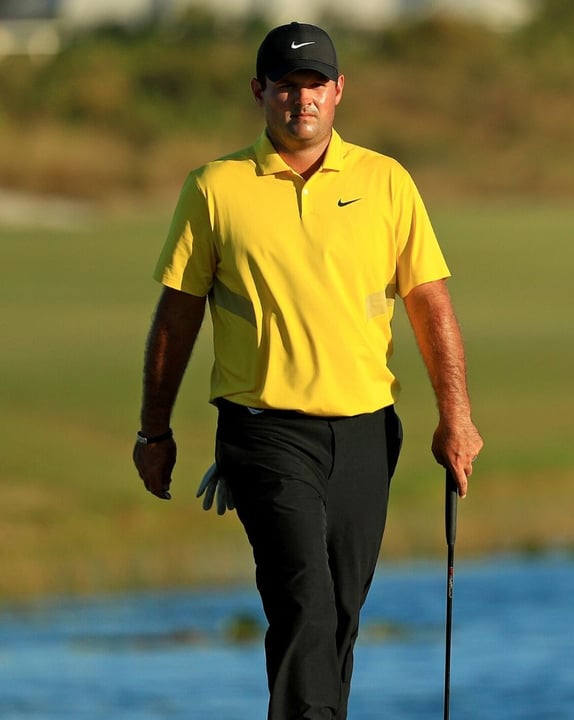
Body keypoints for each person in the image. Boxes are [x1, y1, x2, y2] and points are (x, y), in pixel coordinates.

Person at [131, 21, 483, 720]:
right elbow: (177, 316)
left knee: (341, 616)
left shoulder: (386, 181)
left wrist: (457, 417)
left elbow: (429, 304)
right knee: (305, 607)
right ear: (260, 92)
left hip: (364, 433)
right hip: (264, 433)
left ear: (339, 91)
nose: (302, 100)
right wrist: (154, 431)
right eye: (287, 87)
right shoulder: (215, 188)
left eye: (315, 85)